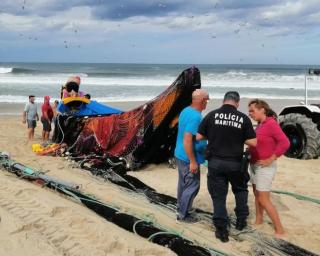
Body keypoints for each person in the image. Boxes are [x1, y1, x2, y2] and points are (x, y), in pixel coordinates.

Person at [197, 91, 257, 242]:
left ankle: (221, 229)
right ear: (237, 103)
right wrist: (238, 137)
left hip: (215, 163)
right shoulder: (243, 118)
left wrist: (214, 135)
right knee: (241, 190)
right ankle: (241, 221)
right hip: (235, 163)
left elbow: (198, 136)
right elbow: (253, 142)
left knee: (218, 195)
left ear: (224, 101)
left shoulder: (212, 115)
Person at [248, 99, 290, 238]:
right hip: (254, 164)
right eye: (249, 111)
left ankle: (280, 230)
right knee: (257, 195)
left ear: (262, 110)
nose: (250, 114)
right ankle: (259, 220)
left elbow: (285, 143)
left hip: (265, 167)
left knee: (264, 199)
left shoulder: (271, 124)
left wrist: (271, 158)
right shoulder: (260, 124)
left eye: (252, 111)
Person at [174, 89, 209, 223]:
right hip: (188, 156)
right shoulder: (196, 117)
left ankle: (181, 207)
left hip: (180, 153)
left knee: (183, 183)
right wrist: (193, 161)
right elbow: (188, 139)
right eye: (207, 99)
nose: (207, 102)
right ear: (202, 101)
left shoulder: (186, 110)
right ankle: (183, 215)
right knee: (193, 185)